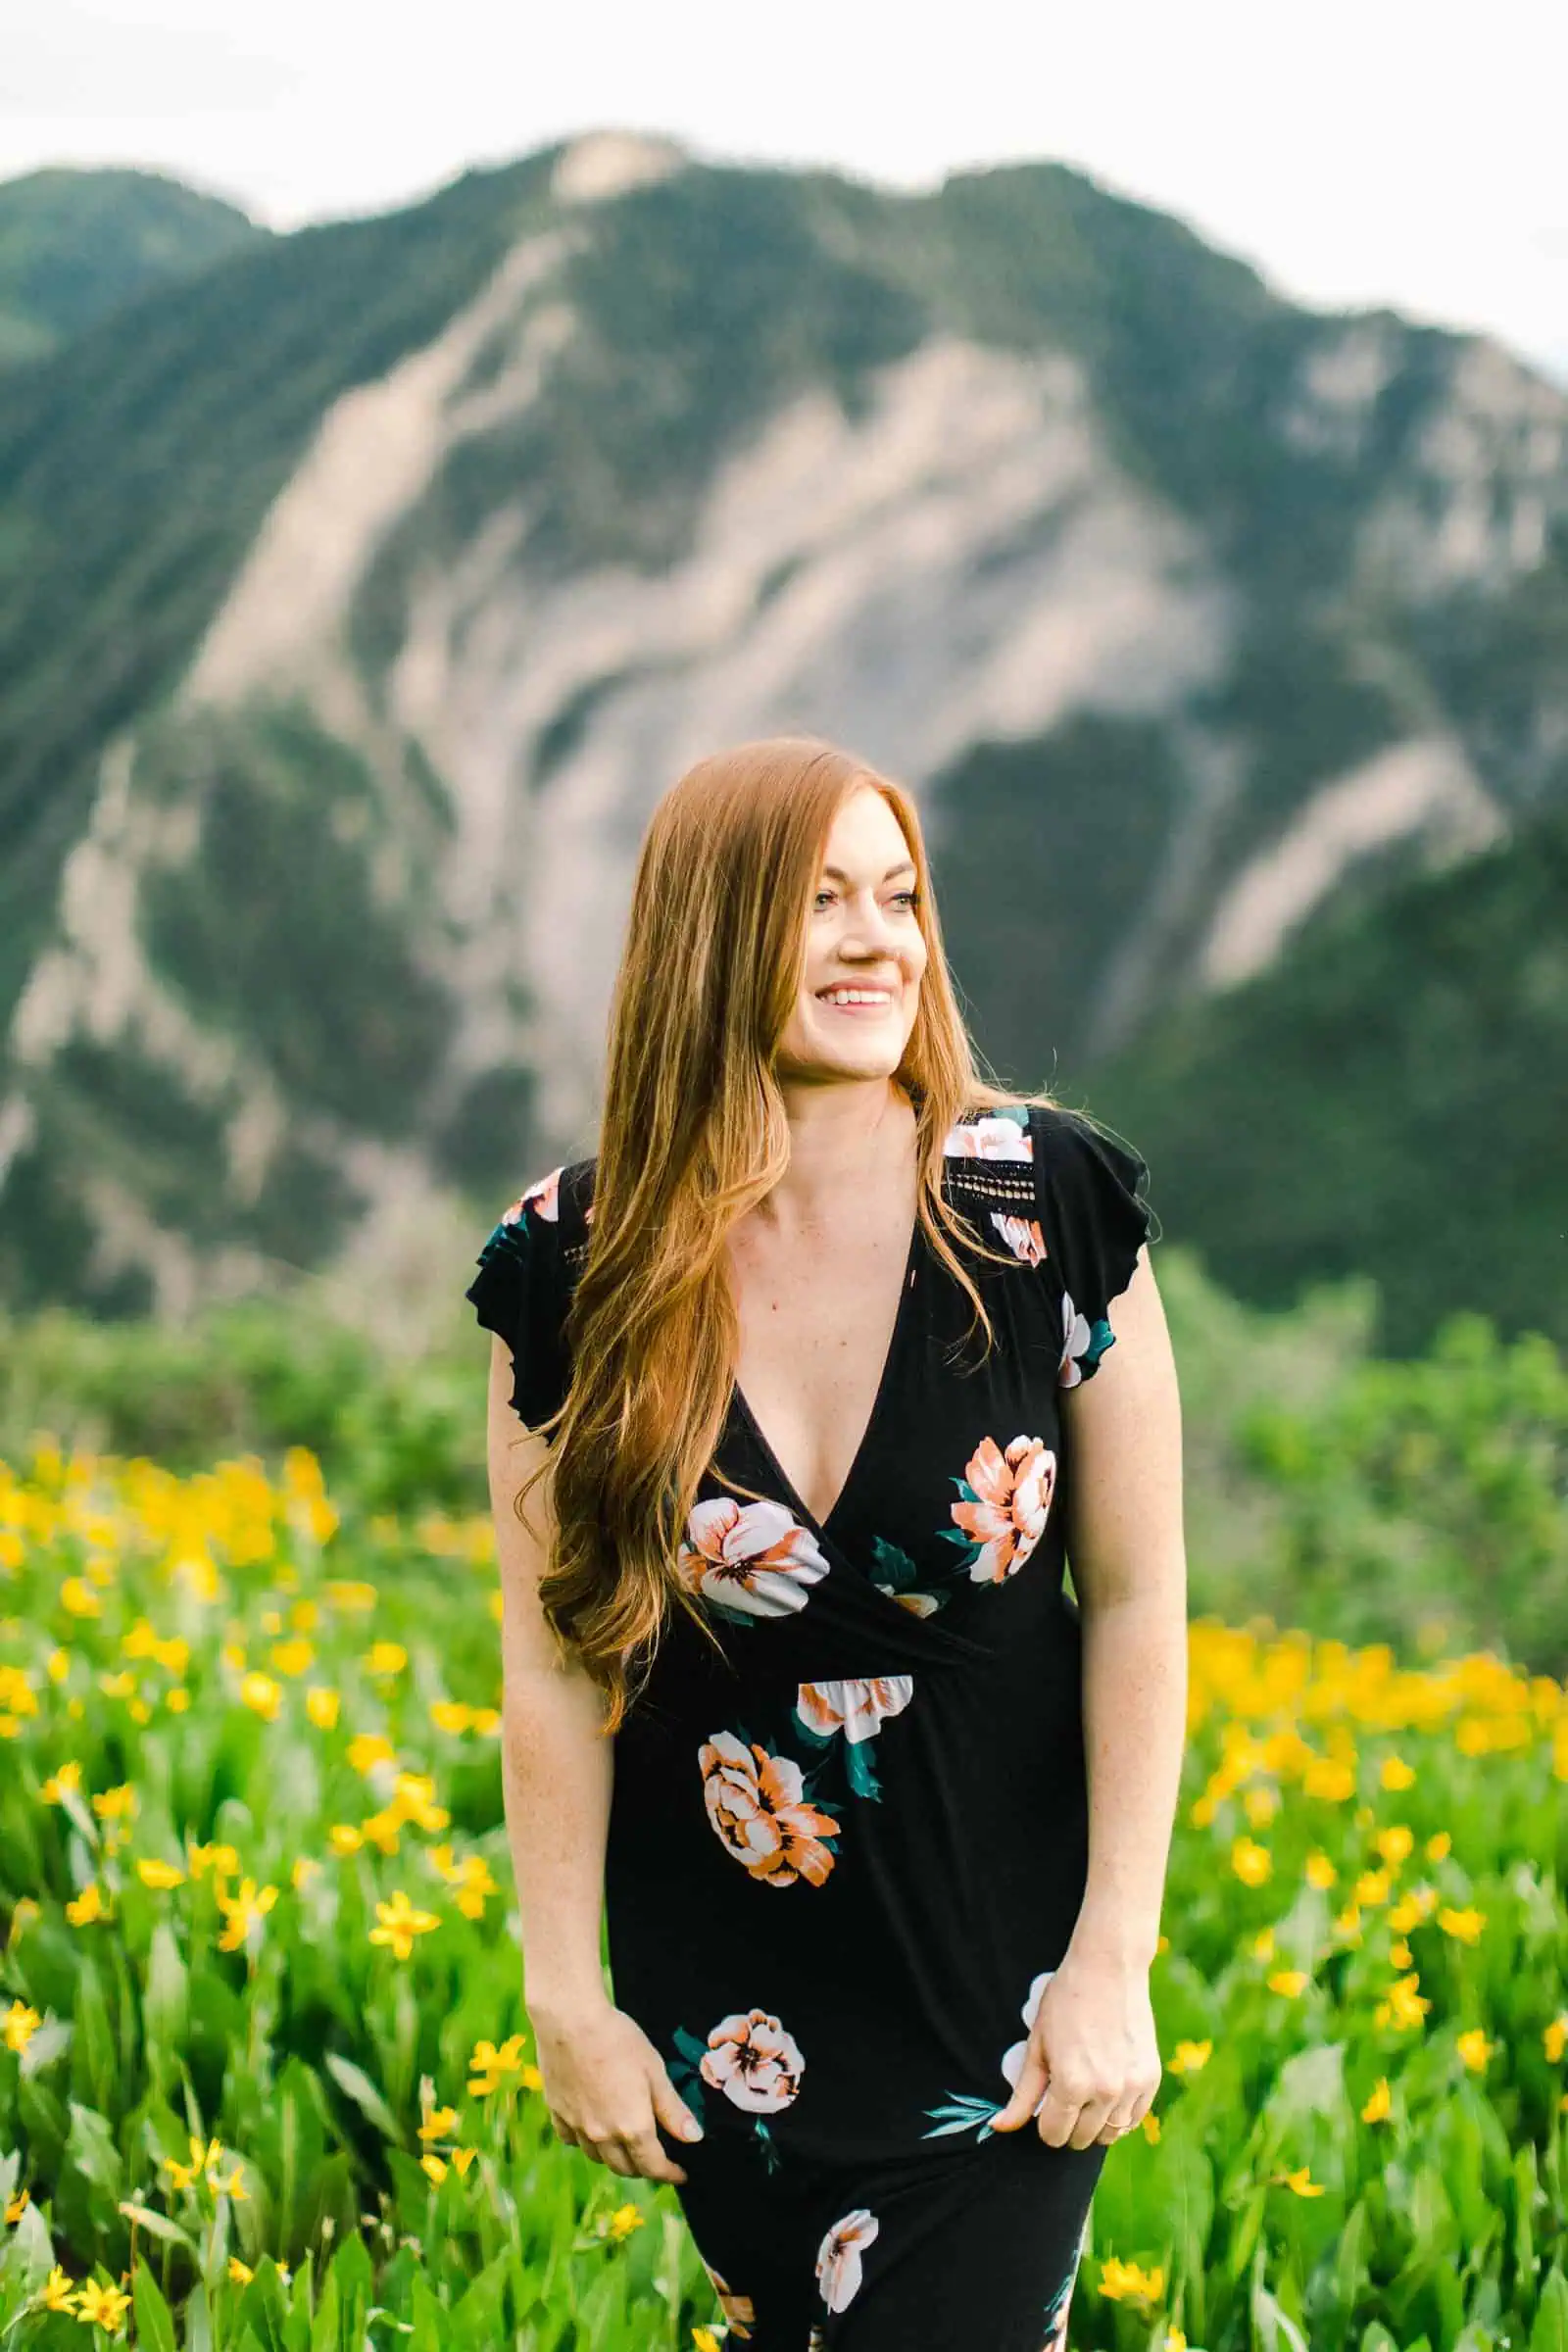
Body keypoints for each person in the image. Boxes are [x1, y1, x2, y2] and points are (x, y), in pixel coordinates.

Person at [466, 737, 1188, 2351]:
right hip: (731, 2009)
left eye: (901, 897)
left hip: (994, 1997)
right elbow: (552, 1655)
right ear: (707, 936)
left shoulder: (1041, 1207)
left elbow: (1141, 1603)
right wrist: (564, 1998)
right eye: (818, 902)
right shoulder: (567, 1260)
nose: (877, 941)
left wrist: (1113, 1960)